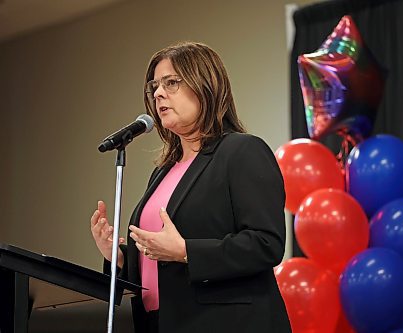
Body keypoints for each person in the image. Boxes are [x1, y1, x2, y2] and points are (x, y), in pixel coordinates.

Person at [90, 41, 291, 333]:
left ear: (205, 86)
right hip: (160, 322)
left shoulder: (241, 151)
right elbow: (158, 263)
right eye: (155, 86)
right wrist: (120, 258)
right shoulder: (163, 171)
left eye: (171, 83)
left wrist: (187, 251)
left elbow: (266, 244)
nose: (158, 93)